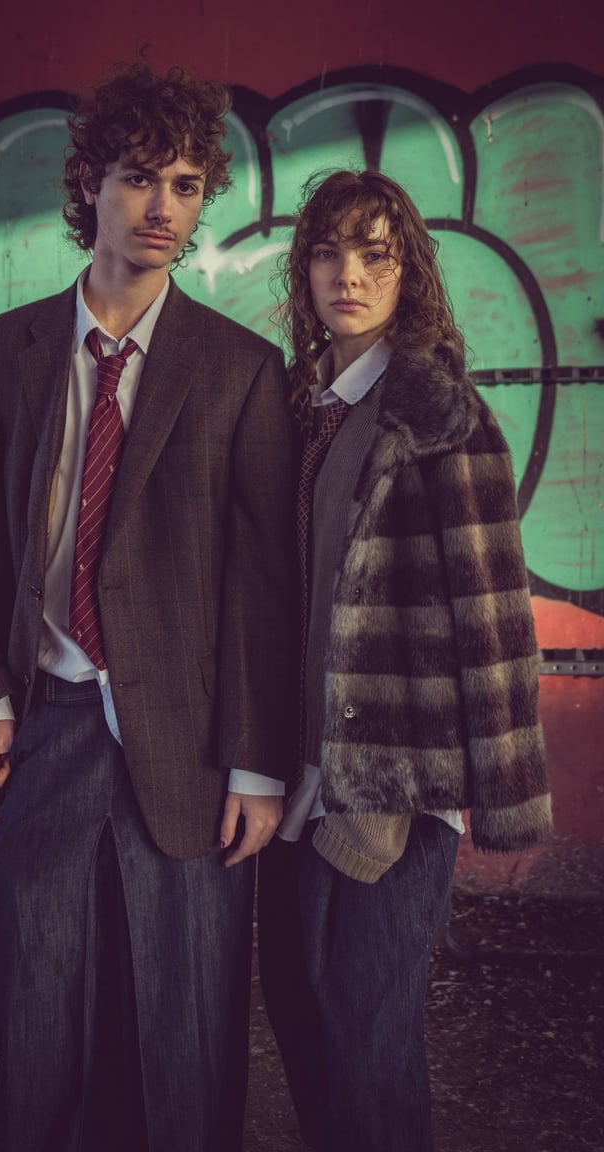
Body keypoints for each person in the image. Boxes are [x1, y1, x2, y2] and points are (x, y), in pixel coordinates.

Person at [0, 62, 299, 1152]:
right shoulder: (1, 356)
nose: (162, 208)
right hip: (47, 725)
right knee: (40, 1022)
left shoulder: (242, 370)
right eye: (140, 177)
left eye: (186, 186)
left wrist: (257, 765)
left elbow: (264, 585)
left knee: (187, 1033)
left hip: (192, 749)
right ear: (90, 181)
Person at [257, 168, 553, 1152]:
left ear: (407, 271)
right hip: (301, 771)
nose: (349, 275)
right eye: (329, 253)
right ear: (304, 271)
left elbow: (494, 615)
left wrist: (497, 795)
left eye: (375, 255)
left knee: (368, 1034)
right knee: (299, 1009)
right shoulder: (301, 404)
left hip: (400, 782)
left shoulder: (440, 417)